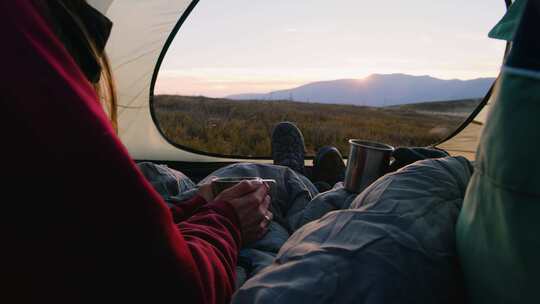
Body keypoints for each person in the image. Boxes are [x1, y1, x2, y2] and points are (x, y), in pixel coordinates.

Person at [1, 1, 272, 303]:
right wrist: (228, 221)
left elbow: (101, 230)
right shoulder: (19, 33)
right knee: (309, 240)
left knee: (192, 184)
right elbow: (175, 288)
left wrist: (198, 204)